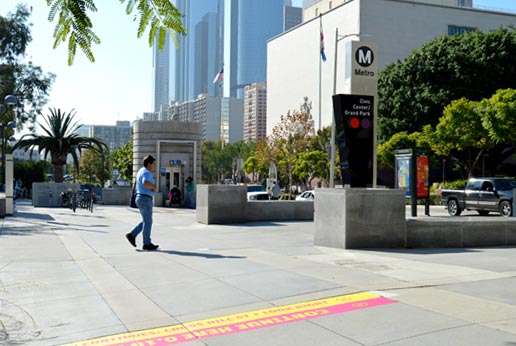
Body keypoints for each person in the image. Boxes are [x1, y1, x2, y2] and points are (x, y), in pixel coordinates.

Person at [126, 155, 159, 251]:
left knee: (146, 220)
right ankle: (146, 243)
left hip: (141, 198)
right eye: (153, 163)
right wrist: (153, 187)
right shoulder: (146, 172)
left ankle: (132, 235)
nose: (154, 165)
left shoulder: (140, 171)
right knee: (148, 221)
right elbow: (145, 182)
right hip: (145, 199)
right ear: (149, 164)